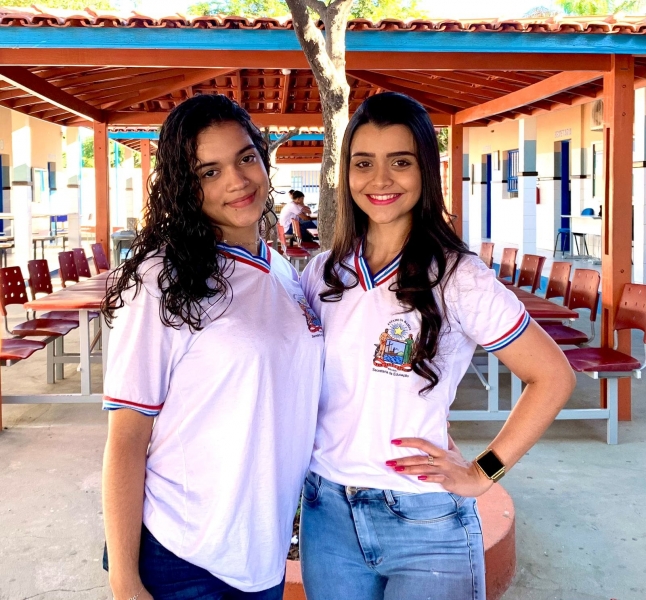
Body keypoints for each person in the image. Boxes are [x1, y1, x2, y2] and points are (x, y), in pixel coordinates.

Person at [299, 92, 575, 600]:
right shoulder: (323, 273)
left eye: (400, 162)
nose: (380, 180)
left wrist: (482, 473)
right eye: (364, 163)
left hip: (424, 519)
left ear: (426, 170)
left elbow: (553, 376)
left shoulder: (458, 276)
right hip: (326, 511)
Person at [101, 94, 324, 600]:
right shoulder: (162, 279)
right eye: (209, 171)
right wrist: (125, 582)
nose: (237, 181)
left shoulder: (283, 271)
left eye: (246, 158)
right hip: (182, 557)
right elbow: (127, 438)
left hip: (261, 555)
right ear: (184, 186)